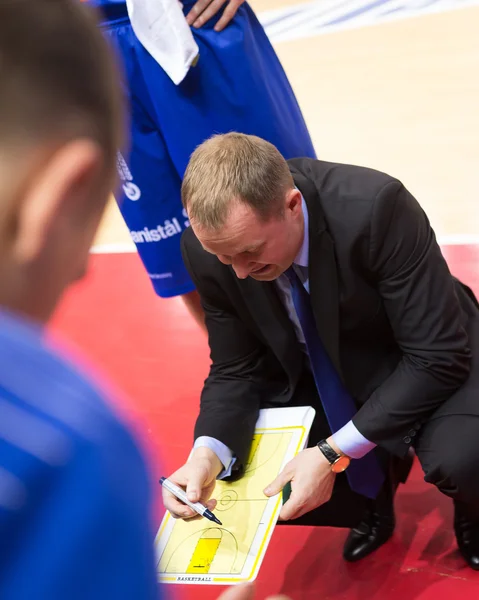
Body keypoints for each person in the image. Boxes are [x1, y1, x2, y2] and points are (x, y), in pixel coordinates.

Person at [0, 3, 288, 599]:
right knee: (187, 268)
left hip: (180, 27)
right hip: (102, 31)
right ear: (67, 195)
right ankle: (256, 398)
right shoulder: (60, 440)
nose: (82, 269)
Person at [162, 132, 479, 571]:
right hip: (318, 359)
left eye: (250, 252)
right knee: (259, 475)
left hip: (417, 345)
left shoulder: (377, 208)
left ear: (292, 205)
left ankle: (472, 507)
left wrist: (332, 453)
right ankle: (372, 498)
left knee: (464, 458)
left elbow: (437, 356)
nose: (239, 272)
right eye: (224, 257)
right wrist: (205, 454)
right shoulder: (208, 249)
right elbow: (236, 367)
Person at [88, 0, 316, 332]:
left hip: (194, 21)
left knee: (267, 208)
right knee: (171, 248)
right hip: (94, 42)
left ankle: (339, 360)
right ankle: (252, 373)